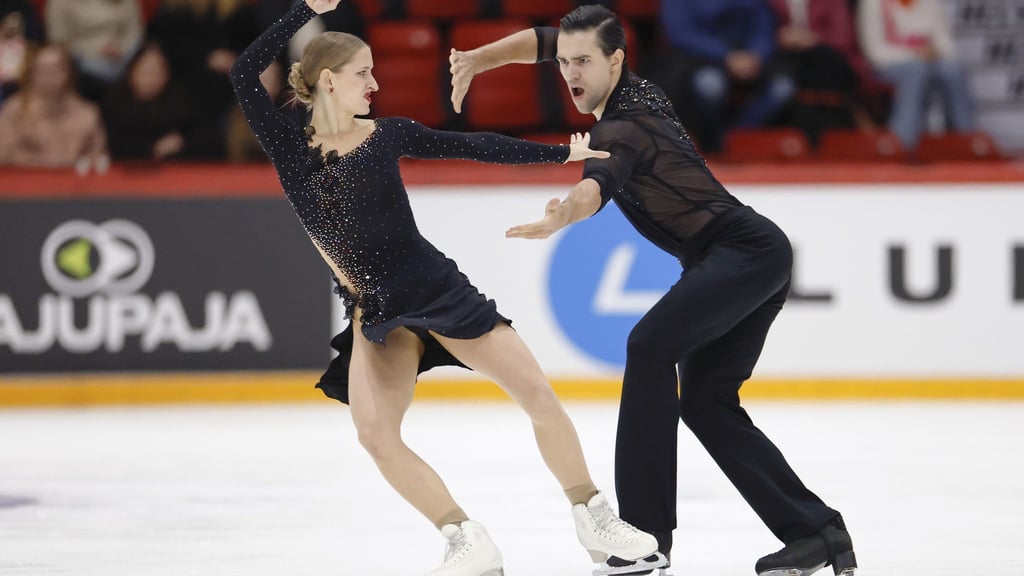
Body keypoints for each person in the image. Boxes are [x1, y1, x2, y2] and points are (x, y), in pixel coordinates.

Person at [229, 2, 666, 576]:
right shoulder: (291, 147)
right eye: (364, 73)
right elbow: (243, 71)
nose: (375, 84)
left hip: (435, 289)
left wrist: (562, 153)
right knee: (375, 434)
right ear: (329, 80)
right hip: (376, 312)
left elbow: (474, 145)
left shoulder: (387, 134)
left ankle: (594, 519)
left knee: (537, 396)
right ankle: (464, 536)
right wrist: (307, 9)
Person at [449, 5, 856, 576]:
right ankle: (817, 533)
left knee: (647, 346)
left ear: (615, 60)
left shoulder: (621, 127)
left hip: (742, 253)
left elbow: (596, 185)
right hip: (743, 255)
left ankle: (644, 537)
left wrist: (564, 214)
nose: (570, 73)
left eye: (583, 62)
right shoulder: (634, 89)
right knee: (707, 404)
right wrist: (478, 59)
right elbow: (546, 40)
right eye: (564, 63)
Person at [856, 0, 975, 152]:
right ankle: (902, 142)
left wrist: (933, 52)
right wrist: (915, 54)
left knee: (952, 69)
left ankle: (965, 139)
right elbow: (875, 52)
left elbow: (947, 47)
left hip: (927, 61)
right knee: (915, 71)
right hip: (887, 66)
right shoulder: (873, 3)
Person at [0, 43, 108, 170]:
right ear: (31, 74)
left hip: (73, 180)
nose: (49, 77)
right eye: (42, 70)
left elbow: (98, 154)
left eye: (55, 70)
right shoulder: (14, 109)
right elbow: (4, 153)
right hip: (26, 178)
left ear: (69, 73)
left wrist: (89, 160)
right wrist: (45, 162)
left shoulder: (88, 112)